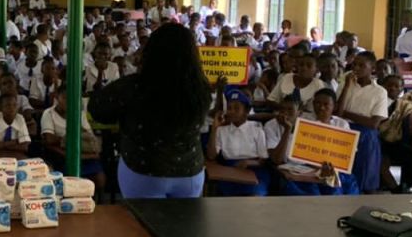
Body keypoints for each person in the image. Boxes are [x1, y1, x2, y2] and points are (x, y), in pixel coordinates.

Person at [89, 24, 211, 198]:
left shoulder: (134, 86)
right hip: (190, 172)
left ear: (151, 52)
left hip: (144, 170)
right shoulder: (201, 89)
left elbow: (97, 109)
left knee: (141, 217)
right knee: (184, 217)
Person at [337, 52, 388, 192]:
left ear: (372, 68)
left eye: (361, 65)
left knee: (364, 165)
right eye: (354, 64)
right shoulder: (346, 84)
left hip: (365, 133)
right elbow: (337, 112)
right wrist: (346, 86)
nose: (356, 68)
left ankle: (364, 189)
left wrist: (346, 113)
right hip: (344, 128)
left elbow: (373, 123)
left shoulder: (380, 92)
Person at [207, 91, 270, 196]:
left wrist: (249, 162)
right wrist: (214, 129)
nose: (231, 111)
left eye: (236, 108)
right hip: (230, 170)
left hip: (254, 170)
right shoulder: (221, 131)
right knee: (228, 197)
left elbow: (263, 160)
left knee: (255, 196)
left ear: (246, 111)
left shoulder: (257, 131)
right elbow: (211, 155)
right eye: (229, 108)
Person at [41, 86, 103, 188]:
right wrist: (71, 141)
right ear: (57, 97)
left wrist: (66, 140)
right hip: (60, 155)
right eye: (64, 98)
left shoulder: (79, 113)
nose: (68, 101)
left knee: (99, 178)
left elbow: (89, 137)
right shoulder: (49, 113)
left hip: (81, 152)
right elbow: (49, 139)